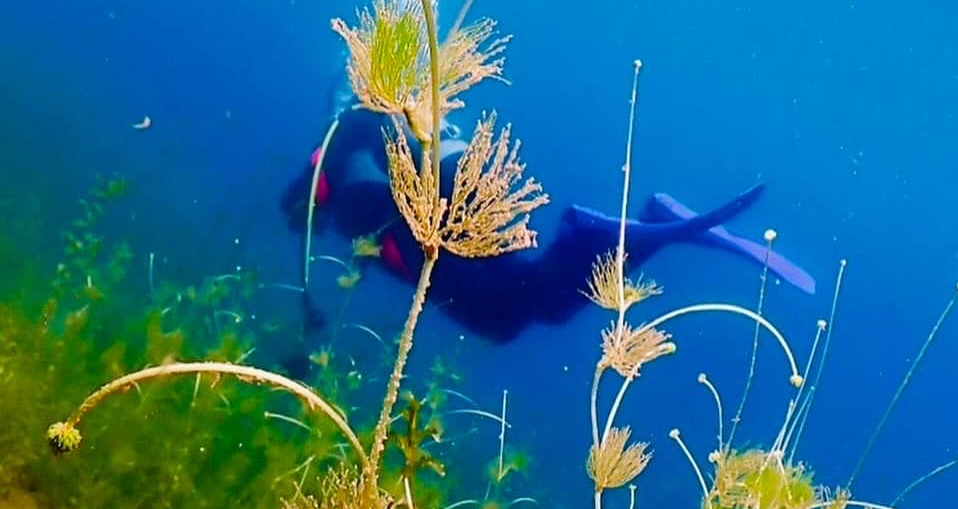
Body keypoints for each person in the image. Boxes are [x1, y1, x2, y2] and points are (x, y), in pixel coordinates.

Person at [280, 91, 815, 344]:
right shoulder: (392, 114)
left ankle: (600, 234)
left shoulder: (352, 120)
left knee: (507, 312)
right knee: (530, 303)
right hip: (457, 182)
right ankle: (649, 230)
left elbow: (315, 181)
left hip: (432, 210)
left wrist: (301, 203)